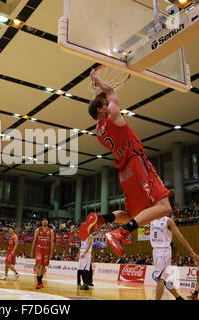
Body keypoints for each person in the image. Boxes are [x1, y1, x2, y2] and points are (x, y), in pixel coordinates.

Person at [79, 69, 172, 257]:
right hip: (136, 163)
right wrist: (98, 80)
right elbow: (112, 92)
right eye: (105, 104)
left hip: (124, 172)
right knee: (164, 206)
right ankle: (121, 233)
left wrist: (100, 92)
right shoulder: (113, 117)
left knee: (132, 215)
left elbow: (108, 98)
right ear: (100, 109)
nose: (108, 104)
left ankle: (101, 219)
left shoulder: (98, 132)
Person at [150, 216, 198, 300]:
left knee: (160, 279)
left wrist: (191, 251)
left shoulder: (168, 221)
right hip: (155, 251)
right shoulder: (151, 219)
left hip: (164, 250)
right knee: (165, 280)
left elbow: (180, 236)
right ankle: (178, 297)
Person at [30, 218, 54, 289]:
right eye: (43, 220)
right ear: (41, 222)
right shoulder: (37, 230)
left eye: (46, 220)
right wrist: (32, 251)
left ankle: (40, 281)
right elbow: (34, 241)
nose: (45, 221)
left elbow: (52, 243)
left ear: (48, 222)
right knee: (39, 265)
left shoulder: (51, 231)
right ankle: (39, 282)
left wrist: (51, 253)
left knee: (43, 266)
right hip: (39, 249)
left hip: (47, 250)